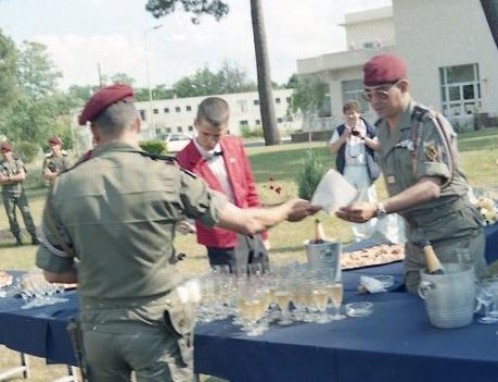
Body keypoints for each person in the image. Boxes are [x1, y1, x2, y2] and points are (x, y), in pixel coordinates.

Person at [35, 84, 319, 382]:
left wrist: (103, 270)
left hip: (98, 330)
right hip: (155, 324)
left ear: (94, 133)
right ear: (137, 125)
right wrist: (286, 209)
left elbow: (54, 274)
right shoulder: (168, 175)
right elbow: (248, 223)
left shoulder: (63, 187)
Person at [336, 53, 487, 292]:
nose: (374, 101)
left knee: (455, 310)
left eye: (382, 92)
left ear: (403, 86)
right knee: (414, 308)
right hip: (417, 239)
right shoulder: (383, 128)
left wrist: (378, 208)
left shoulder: (427, 123)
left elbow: (431, 186)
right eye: (369, 93)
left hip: (451, 236)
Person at [177, 97, 270, 273]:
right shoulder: (182, 160)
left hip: (252, 230)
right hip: (221, 240)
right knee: (235, 295)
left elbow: (250, 189)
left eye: (217, 135)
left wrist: (262, 233)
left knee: (264, 289)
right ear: (196, 124)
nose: (211, 141)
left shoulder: (235, 145)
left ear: (226, 127)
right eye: (206, 134)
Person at [329, 100, 380, 242]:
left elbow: (378, 146)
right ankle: (358, 236)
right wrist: (344, 137)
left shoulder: (368, 128)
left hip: (364, 168)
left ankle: (372, 234)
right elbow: (332, 149)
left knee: (368, 200)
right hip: (348, 170)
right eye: (347, 114)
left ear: (359, 113)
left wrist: (363, 137)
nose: (351, 116)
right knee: (351, 202)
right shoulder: (340, 130)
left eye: (353, 113)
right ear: (344, 116)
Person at [0, 142, 39, 246]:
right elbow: (0, 180)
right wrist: (14, 177)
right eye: (3, 151)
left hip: (19, 191)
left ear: (11, 151)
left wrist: (8, 178)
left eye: (8, 151)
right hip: (7, 193)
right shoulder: (0, 165)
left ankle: (34, 237)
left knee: (26, 213)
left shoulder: (18, 162)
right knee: (11, 216)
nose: (6, 153)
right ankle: (18, 238)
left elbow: (22, 176)